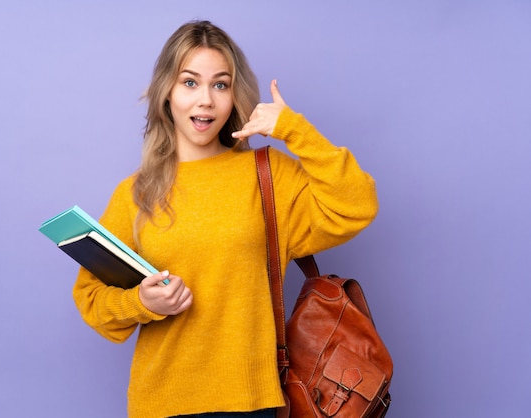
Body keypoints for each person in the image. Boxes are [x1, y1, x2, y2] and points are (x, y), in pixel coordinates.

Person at [72, 20, 378, 418]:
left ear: (234, 96)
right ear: (167, 91)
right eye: (189, 82)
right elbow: (92, 299)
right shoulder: (136, 194)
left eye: (220, 84)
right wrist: (141, 302)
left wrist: (293, 129)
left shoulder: (267, 176)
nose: (206, 101)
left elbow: (357, 204)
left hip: (251, 403)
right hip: (161, 403)